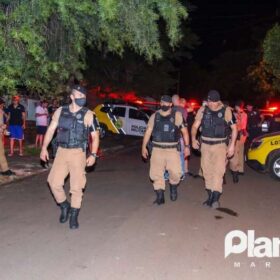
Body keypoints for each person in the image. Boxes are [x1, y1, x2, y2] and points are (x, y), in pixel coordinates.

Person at [40, 85, 100, 229]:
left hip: (78, 153)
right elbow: (51, 130)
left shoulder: (89, 114)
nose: (82, 98)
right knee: (54, 182)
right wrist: (43, 148)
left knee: (77, 186)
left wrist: (93, 154)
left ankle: (74, 215)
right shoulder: (61, 111)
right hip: (61, 151)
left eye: (84, 96)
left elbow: (95, 137)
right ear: (72, 97)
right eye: (79, 96)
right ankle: (64, 205)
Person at [191, 90, 237, 208]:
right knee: (206, 170)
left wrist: (232, 145)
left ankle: (215, 198)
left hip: (220, 145)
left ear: (218, 101)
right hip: (205, 145)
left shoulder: (226, 111)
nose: (211, 104)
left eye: (213, 102)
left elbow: (234, 129)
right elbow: (195, 126)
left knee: (218, 171)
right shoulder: (203, 110)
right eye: (209, 101)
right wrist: (193, 138)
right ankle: (210, 195)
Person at [142, 95, 190, 205]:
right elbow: (148, 132)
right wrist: (143, 147)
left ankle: (173, 187)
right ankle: (160, 196)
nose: (164, 105)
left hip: (172, 150)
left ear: (170, 104)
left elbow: (185, 132)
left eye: (166, 103)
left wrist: (187, 147)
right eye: (162, 102)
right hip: (157, 149)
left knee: (176, 173)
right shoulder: (155, 116)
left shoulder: (177, 115)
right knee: (156, 173)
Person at [229, 100, 248, 183]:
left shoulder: (240, 114)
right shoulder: (244, 114)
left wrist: (237, 117)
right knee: (240, 152)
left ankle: (235, 170)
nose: (236, 108)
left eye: (237, 106)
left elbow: (240, 126)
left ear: (238, 106)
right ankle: (240, 170)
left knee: (236, 153)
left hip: (239, 135)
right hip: (243, 136)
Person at [0, 98, 15, 176]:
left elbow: (2, 125)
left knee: (1, 152)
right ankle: (5, 170)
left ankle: (4, 170)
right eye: (2, 104)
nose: (3, 106)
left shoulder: (1, 112)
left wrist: (4, 131)